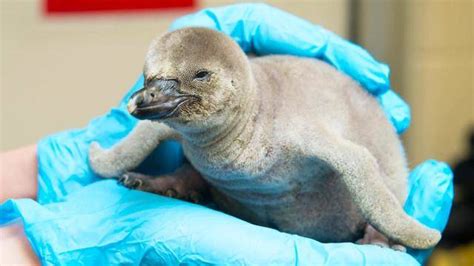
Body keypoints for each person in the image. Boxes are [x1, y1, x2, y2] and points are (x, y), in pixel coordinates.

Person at [0, 3, 453, 265]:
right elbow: (150, 131)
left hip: (339, 208)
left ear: (234, 87)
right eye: (154, 79)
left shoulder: (288, 131)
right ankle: (186, 184)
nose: (156, 95)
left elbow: (355, 160)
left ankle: (372, 234)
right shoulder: (172, 123)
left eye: (195, 78)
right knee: (196, 156)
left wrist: (392, 224)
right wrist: (95, 160)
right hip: (244, 200)